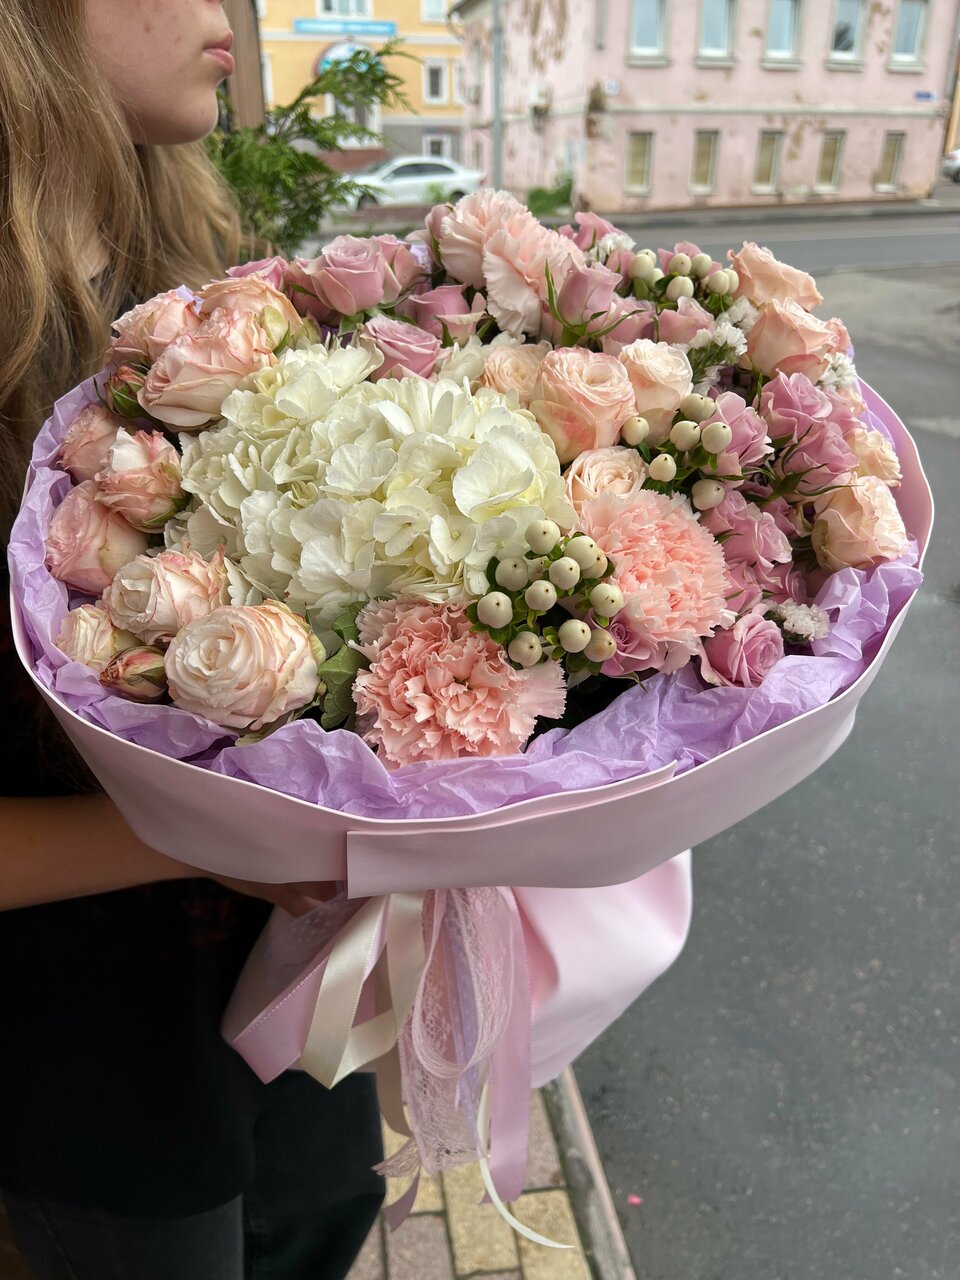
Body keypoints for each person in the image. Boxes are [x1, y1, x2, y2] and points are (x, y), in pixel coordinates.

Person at [0, 3, 384, 1277]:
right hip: (85, 1068)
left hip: (270, 989)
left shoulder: (190, 297)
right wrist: (222, 829)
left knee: (323, 1214)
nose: (228, 11)